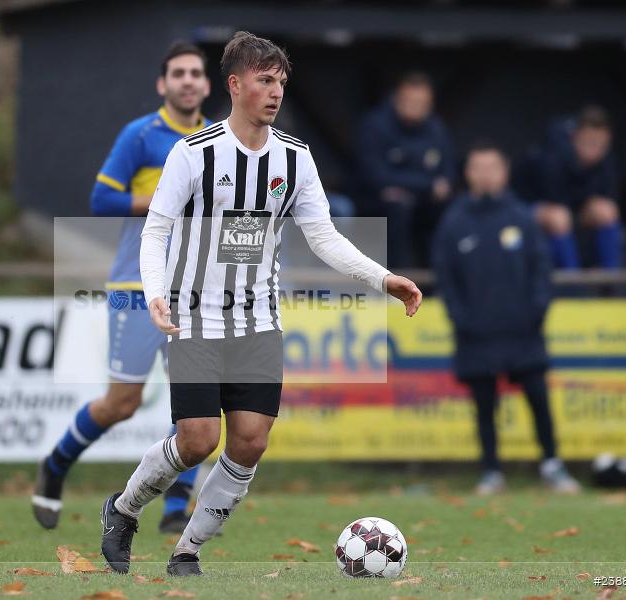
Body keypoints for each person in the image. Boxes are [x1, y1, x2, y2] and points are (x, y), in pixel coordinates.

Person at [99, 31, 422, 577]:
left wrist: (383, 278)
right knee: (198, 440)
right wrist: (155, 294)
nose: (275, 92)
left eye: (281, 82)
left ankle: (188, 550)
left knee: (250, 441)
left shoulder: (294, 160)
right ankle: (123, 509)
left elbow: (324, 238)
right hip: (196, 316)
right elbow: (156, 230)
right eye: (265, 81)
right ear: (235, 84)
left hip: (258, 321)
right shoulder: (194, 153)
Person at [32, 42, 212, 534]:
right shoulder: (141, 135)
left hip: (194, 293)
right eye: (178, 73)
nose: (188, 80)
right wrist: (155, 202)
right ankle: (56, 463)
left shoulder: (217, 141)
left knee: (197, 401)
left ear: (208, 84)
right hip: (136, 286)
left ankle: (176, 509)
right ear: (163, 84)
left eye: (196, 73)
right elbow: (99, 198)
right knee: (122, 403)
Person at [432, 142, 580, 496]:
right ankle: (491, 471)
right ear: (468, 173)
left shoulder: (522, 218)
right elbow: (446, 279)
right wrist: (461, 319)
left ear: (504, 172)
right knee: (484, 405)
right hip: (476, 334)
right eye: (478, 167)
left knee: (538, 398)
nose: (485, 174)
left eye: (492, 167)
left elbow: (541, 271)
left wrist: (535, 313)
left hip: (523, 331)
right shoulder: (454, 221)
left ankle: (552, 465)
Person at [357, 71, 456, 269]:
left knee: (453, 211)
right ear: (397, 99)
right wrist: (428, 184)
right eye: (410, 101)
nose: (416, 107)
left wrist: (436, 186)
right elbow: (377, 177)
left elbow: (447, 174)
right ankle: (397, 281)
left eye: (422, 103)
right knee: (398, 205)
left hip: (424, 202)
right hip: (376, 202)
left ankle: (438, 280)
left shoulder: (436, 129)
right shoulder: (375, 125)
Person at [527, 106, 621, 271]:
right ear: (575, 136)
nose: (595, 150)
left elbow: (607, 196)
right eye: (590, 143)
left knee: (606, 210)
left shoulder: (606, 161)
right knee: (559, 216)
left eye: (601, 145)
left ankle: (610, 282)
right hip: (532, 209)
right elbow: (553, 199)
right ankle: (574, 284)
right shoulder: (552, 156)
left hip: (573, 213)